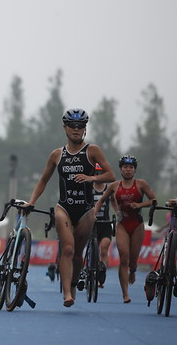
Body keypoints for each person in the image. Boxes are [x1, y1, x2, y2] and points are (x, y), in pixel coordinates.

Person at [24, 108, 115, 308]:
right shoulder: (57, 154)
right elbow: (43, 181)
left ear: (85, 129)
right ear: (65, 128)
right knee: (67, 248)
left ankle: (73, 283)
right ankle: (66, 293)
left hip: (86, 210)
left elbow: (111, 175)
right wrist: (31, 202)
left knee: (77, 254)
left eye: (80, 126)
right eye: (72, 126)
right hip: (63, 207)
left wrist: (91, 177)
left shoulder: (92, 151)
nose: (76, 129)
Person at [93, 155, 156, 304]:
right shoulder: (114, 186)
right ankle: (125, 294)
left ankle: (133, 271)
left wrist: (139, 205)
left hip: (137, 225)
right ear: (121, 169)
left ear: (134, 169)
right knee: (124, 258)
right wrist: (94, 215)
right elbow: (101, 200)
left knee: (133, 260)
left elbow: (153, 200)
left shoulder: (141, 184)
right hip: (122, 225)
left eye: (131, 167)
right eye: (125, 167)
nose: (128, 170)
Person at [91, 163, 117, 288]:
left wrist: (118, 213)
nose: (98, 176)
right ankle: (91, 271)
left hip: (105, 223)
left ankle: (101, 274)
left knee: (104, 248)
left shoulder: (108, 188)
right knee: (93, 249)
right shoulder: (89, 187)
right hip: (92, 223)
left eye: (100, 174)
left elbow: (113, 202)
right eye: (96, 174)